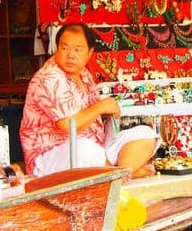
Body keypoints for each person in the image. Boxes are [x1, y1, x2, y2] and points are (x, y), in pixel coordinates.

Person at [20, 23, 160, 178]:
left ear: (89, 53)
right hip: (52, 158)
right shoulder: (49, 77)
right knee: (85, 148)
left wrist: (108, 110)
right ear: (56, 48)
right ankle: (123, 174)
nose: (70, 55)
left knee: (145, 134)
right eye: (64, 48)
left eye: (77, 50)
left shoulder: (83, 73)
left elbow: (91, 114)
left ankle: (119, 173)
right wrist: (101, 107)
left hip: (94, 150)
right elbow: (68, 125)